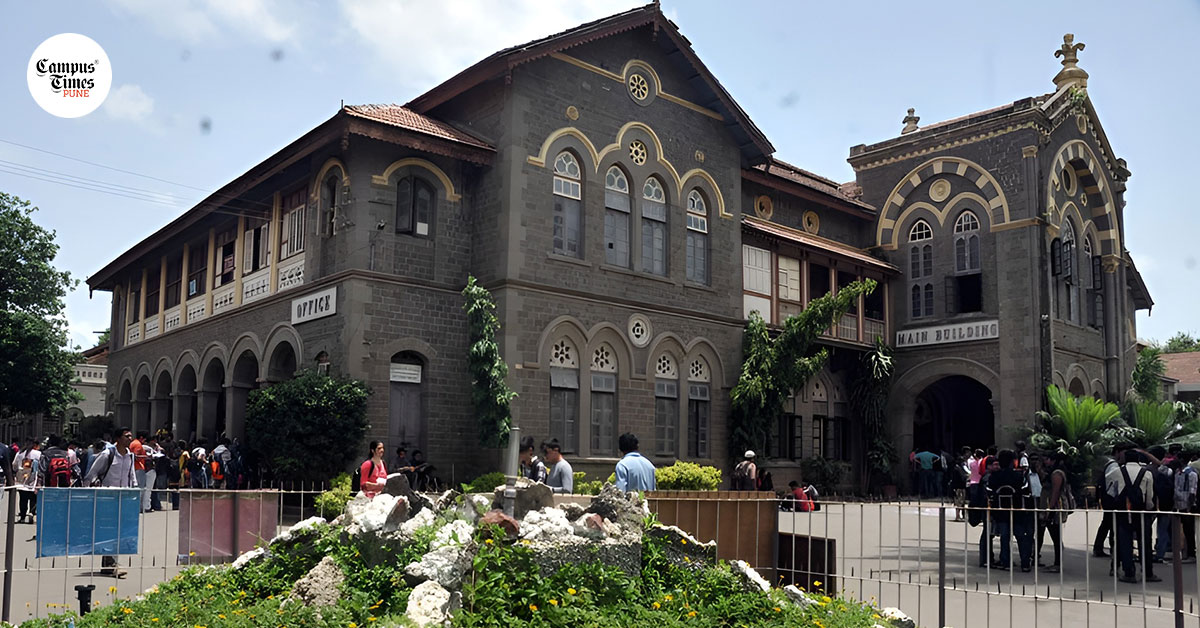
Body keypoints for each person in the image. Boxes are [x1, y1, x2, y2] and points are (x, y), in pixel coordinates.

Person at [83, 427, 138, 578]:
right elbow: (91, 474)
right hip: (107, 498)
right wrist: (87, 493)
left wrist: (135, 493)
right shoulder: (108, 454)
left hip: (124, 497)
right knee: (110, 529)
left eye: (131, 436)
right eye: (127, 436)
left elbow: (131, 476)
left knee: (119, 530)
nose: (130, 439)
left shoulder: (130, 456)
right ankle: (111, 563)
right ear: (118, 438)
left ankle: (109, 563)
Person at [1106, 447, 1160, 583]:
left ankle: (1128, 572)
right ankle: (1148, 573)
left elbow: (1110, 491)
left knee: (1124, 542)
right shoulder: (1147, 473)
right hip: (1141, 512)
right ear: (1138, 460)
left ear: (1125, 459)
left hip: (1123, 511)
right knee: (1145, 543)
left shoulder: (1117, 472)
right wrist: (1149, 508)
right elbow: (1149, 497)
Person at [987, 449, 1033, 571]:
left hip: (1000, 512)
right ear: (1012, 462)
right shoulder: (1019, 476)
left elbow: (989, 491)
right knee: (1020, 537)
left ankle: (1005, 562)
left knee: (1004, 537)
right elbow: (1026, 490)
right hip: (1017, 510)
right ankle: (1025, 563)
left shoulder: (994, 476)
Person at [1037, 452, 1069, 572]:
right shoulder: (1051, 472)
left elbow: (1055, 492)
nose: (1045, 462)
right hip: (1049, 505)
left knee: (1055, 536)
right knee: (1051, 534)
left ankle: (1057, 563)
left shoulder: (1057, 474)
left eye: (1046, 459)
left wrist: (1049, 509)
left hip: (1054, 507)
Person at [1174, 452, 1198, 563]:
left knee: (1189, 530)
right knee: (1184, 529)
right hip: (1179, 504)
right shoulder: (1178, 473)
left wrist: (1189, 507)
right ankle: (1185, 552)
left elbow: (1192, 492)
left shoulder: (1191, 474)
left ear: (1182, 460)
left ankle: (1191, 554)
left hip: (1187, 506)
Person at [13, 440, 41, 523]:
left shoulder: (19, 453)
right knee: (33, 497)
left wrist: (16, 470)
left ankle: (22, 517)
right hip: (33, 479)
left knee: (23, 499)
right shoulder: (38, 454)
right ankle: (31, 513)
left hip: (21, 479)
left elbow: (14, 465)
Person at [131, 432, 148, 503]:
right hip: (138, 467)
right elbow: (136, 456)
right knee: (140, 488)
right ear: (141, 437)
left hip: (134, 467)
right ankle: (137, 505)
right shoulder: (138, 445)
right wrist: (147, 457)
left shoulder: (133, 443)